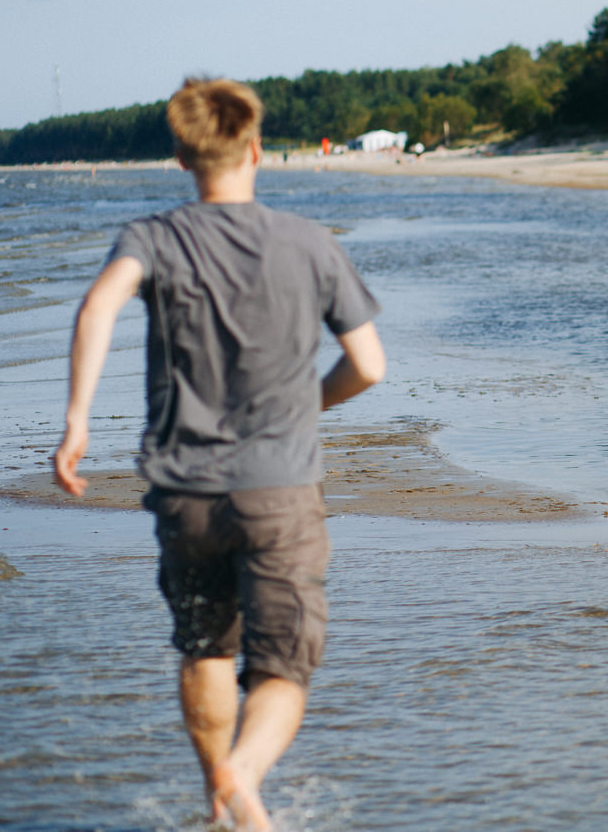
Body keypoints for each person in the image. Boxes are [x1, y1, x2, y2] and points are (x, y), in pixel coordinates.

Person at [52, 78, 386, 830]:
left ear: (181, 157)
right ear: (258, 148)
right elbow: (368, 364)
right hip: (281, 492)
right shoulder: (308, 242)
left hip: (185, 493)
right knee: (282, 667)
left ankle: (223, 804)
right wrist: (312, 401)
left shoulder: (153, 237)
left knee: (205, 647)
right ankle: (243, 775)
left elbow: (98, 305)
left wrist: (77, 423)